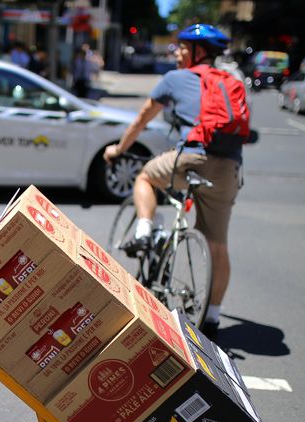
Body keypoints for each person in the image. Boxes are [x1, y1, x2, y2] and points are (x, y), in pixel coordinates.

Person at [104, 24, 246, 338]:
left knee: (145, 176)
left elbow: (143, 117)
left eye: (182, 47)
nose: (178, 52)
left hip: (191, 157)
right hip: (229, 167)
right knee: (218, 244)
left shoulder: (175, 78)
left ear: (197, 51)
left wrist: (118, 149)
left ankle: (143, 229)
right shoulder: (231, 82)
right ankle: (212, 317)